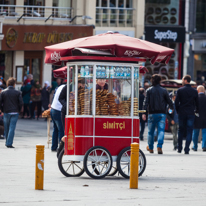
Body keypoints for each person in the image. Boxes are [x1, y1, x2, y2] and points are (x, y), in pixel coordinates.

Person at [143, 74, 173, 154]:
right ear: (160, 81)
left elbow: (146, 102)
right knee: (161, 131)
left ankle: (151, 147)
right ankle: (159, 146)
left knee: (150, 132)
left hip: (152, 113)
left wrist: (143, 112)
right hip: (162, 113)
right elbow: (169, 101)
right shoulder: (164, 90)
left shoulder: (149, 90)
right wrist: (171, 108)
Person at [175, 75, 199, 154]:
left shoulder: (180, 90)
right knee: (189, 131)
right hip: (191, 113)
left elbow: (176, 102)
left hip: (182, 112)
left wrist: (178, 110)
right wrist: (196, 111)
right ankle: (187, 149)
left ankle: (179, 148)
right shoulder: (194, 91)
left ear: (185, 80)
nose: (182, 81)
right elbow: (197, 103)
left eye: (182, 80)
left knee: (180, 130)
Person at [0, 77, 23, 148]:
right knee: (12, 127)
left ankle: (7, 141)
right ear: (14, 84)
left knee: (6, 128)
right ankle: (9, 143)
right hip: (15, 112)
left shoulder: (3, 92)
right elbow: (21, 102)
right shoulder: (18, 92)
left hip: (6, 112)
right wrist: (18, 110)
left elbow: (0, 102)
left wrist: (2, 110)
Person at [50, 84, 65, 152]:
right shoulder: (66, 88)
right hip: (58, 110)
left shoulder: (60, 87)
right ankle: (61, 148)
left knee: (55, 129)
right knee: (61, 129)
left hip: (53, 109)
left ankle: (53, 147)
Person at [192, 85, 206, 152]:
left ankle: (195, 146)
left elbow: (193, 108)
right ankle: (204, 146)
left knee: (195, 133)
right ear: (204, 91)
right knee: (205, 133)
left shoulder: (195, 98)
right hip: (205, 118)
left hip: (196, 117)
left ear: (197, 91)